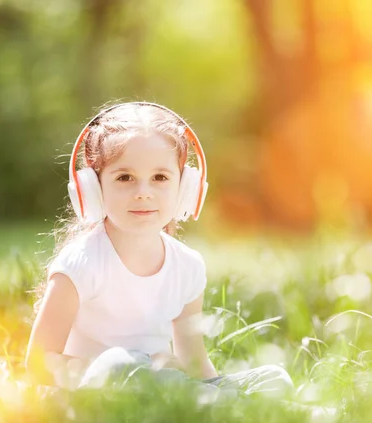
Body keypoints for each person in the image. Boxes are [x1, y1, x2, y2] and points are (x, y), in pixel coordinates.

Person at [25, 101, 293, 399]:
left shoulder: (188, 266)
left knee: (274, 379)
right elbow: (38, 362)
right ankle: (203, 408)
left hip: (169, 388)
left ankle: (207, 407)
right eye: (124, 177)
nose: (143, 191)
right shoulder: (81, 263)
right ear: (93, 188)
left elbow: (194, 360)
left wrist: (208, 386)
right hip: (101, 397)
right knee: (123, 363)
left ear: (186, 189)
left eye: (160, 177)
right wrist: (119, 371)